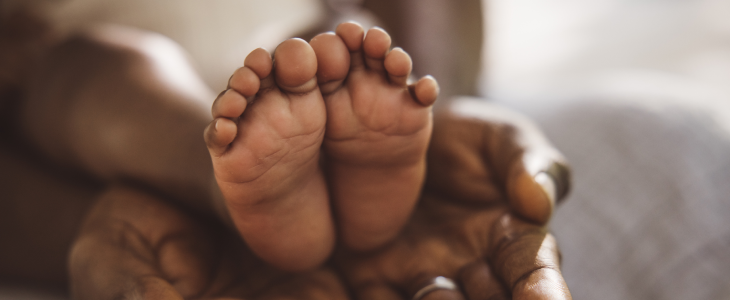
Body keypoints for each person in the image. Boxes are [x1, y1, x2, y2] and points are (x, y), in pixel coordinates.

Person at [0, 7, 572, 300]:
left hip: (285, 43)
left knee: (96, 73)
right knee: (97, 64)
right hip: (259, 46)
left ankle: (225, 181)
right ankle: (244, 178)